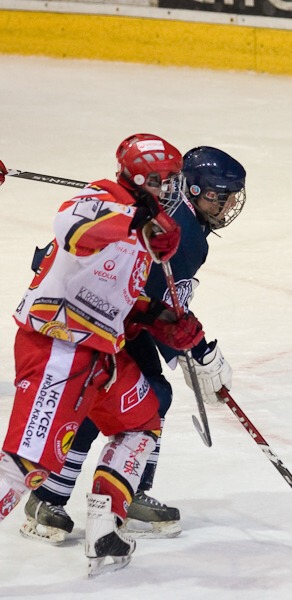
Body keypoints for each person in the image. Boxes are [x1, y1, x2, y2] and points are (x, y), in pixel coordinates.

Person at [0, 133, 205, 576]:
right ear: (140, 178)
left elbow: (117, 295)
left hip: (99, 356)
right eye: (163, 179)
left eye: (174, 180)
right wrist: (138, 221)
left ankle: (104, 530)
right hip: (58, 347)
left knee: (143, 422)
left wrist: (160, 317)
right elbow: (71, 230)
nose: (170, 189)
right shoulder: (101, 197)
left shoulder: (147, 227)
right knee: (24, 465)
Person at [19, 146, 247, 544]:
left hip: (110, 315)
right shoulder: (182, 230)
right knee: (111, 400)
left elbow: (153, 300)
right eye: (220, 196)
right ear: (195, 190)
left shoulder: (173, 217)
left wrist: (190, 348)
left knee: (149, 398)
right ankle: (50, 497)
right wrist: (196, 353)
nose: (228, 205)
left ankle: (116, 494)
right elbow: (156, 302)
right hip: (86, 317)